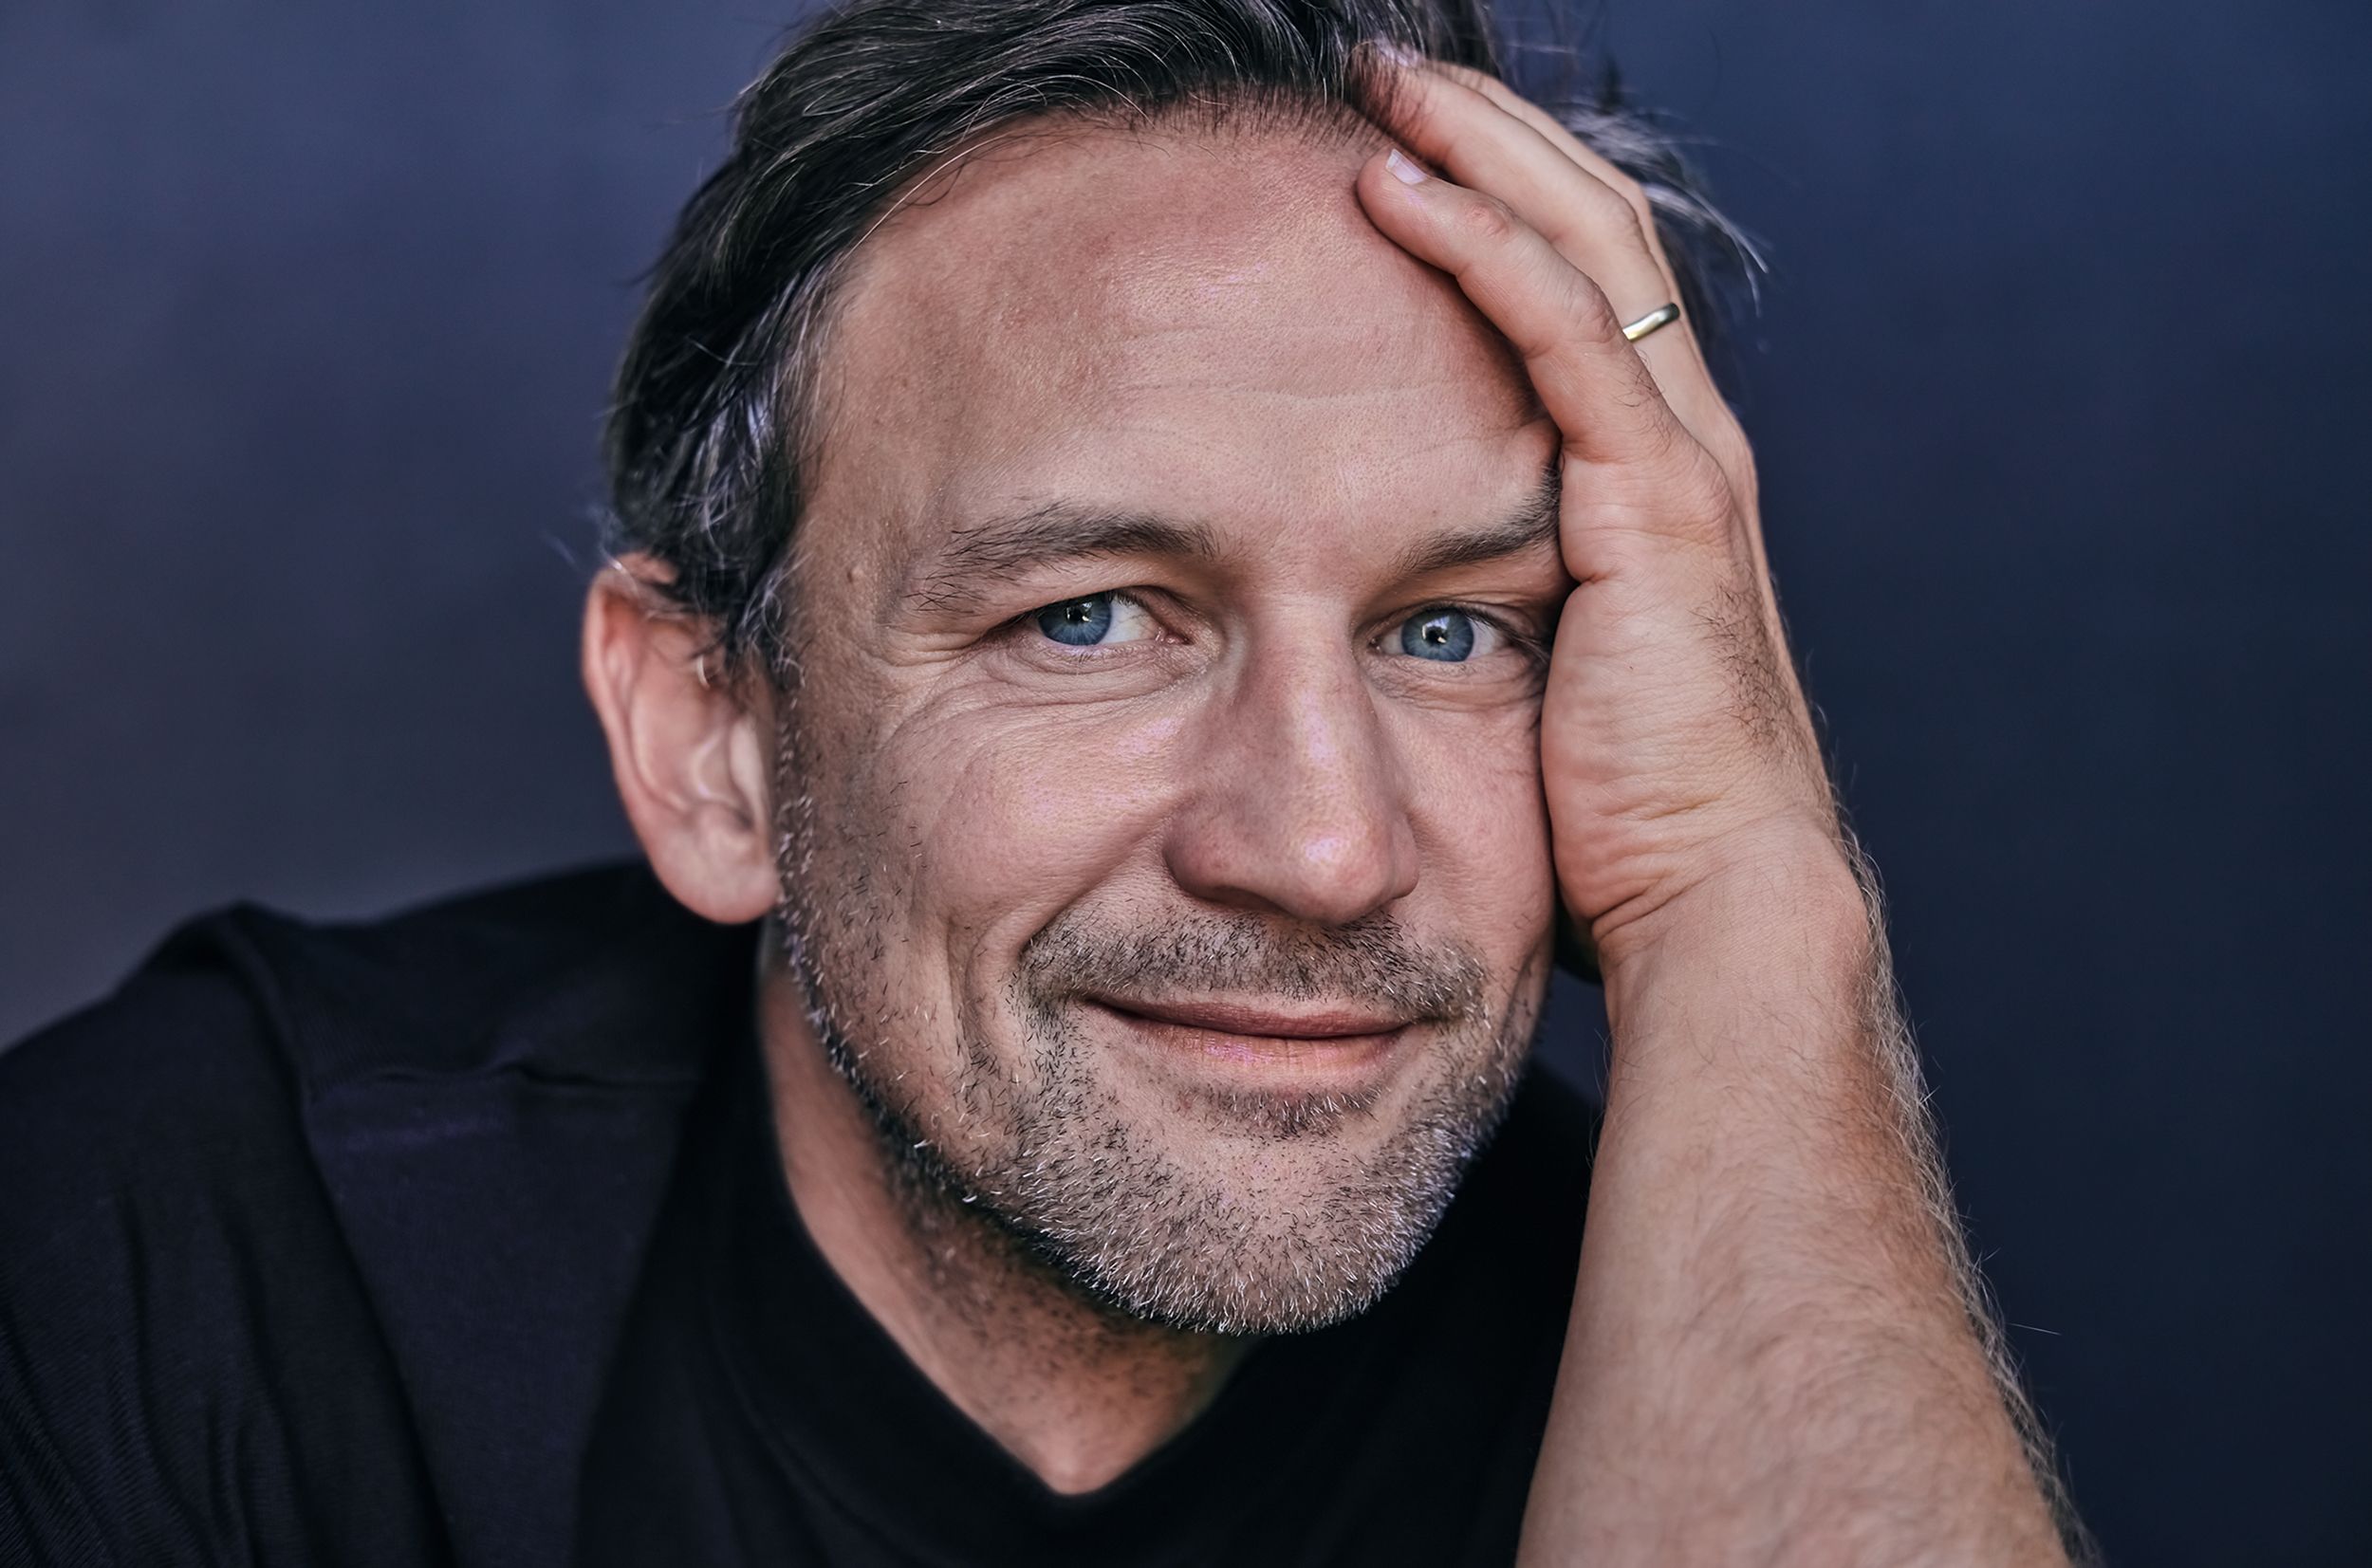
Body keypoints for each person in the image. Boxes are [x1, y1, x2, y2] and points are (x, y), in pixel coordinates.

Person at [0, 1, 2091, 1563]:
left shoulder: (1718, 1306)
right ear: (713, 737)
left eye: (1452, 630)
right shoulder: (177, 1245)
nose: (1322, 845)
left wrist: (1743, 899)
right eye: (1089, 616)